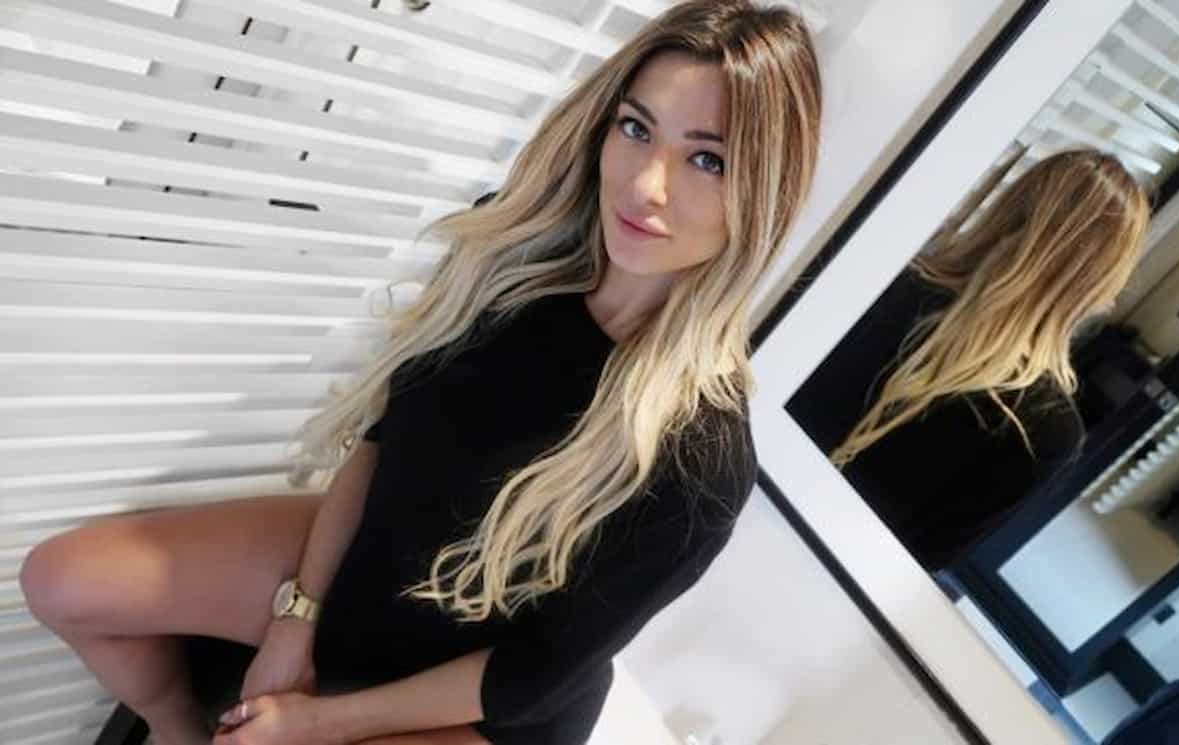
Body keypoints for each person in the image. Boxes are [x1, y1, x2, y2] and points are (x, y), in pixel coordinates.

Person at [17, 2, 823, 744]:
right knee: (62, 580)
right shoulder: (508, 259)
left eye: (707, 160)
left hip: (485, 694)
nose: (646, 185)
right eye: (637, 128)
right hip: (375, 568)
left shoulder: (702, 462)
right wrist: (297, 616)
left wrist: (319, 721)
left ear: (764, 193)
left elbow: (531, 673)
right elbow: (385, 436)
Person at [790, 146, 1151, 572]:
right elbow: (918, 562)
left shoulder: (876, 278)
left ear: (1007, 210)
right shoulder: (1048, 430)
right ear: (1099, 283)